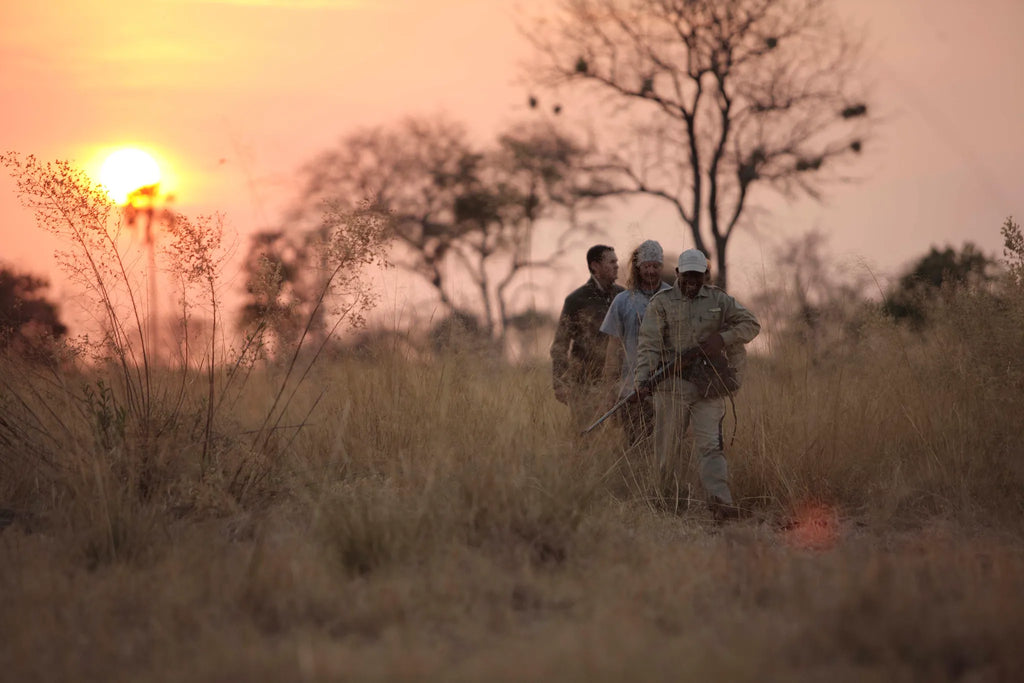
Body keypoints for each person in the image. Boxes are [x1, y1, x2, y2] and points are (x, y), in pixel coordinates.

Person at [634, 248, 760, 519]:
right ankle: (665, 504)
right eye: (687, 274)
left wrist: (723, 339)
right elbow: (649, 346)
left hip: (709, 386)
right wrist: (642, 380)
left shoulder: (720, 299)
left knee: (710, 445)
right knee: (667, 448)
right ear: (678, 273)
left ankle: (720, 503)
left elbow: (752, 325)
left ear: (706, 274)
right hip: (672, 386)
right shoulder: (661, 302)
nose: (692, 280)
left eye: (697, 274)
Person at [599, 239, 672, 447]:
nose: (651, 271)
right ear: (638, 268)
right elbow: (613, 349)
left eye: (655, 266)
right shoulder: (622, 301)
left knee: (668, 445)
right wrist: (610, 391)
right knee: (636, 444)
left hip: (668, 388)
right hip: (631, 389)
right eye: (646, 266)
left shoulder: (674, 298)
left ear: (661, 266)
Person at [551, 244, 624, 430]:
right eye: (611, 262)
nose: (617, 265)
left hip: (621, 383)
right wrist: (559, 383)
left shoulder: (623, 296)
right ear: (595, 266)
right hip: (585, 384)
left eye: (617, 261)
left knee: (621, 440)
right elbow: (560, 344)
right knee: (587, 439)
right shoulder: (576, 300)